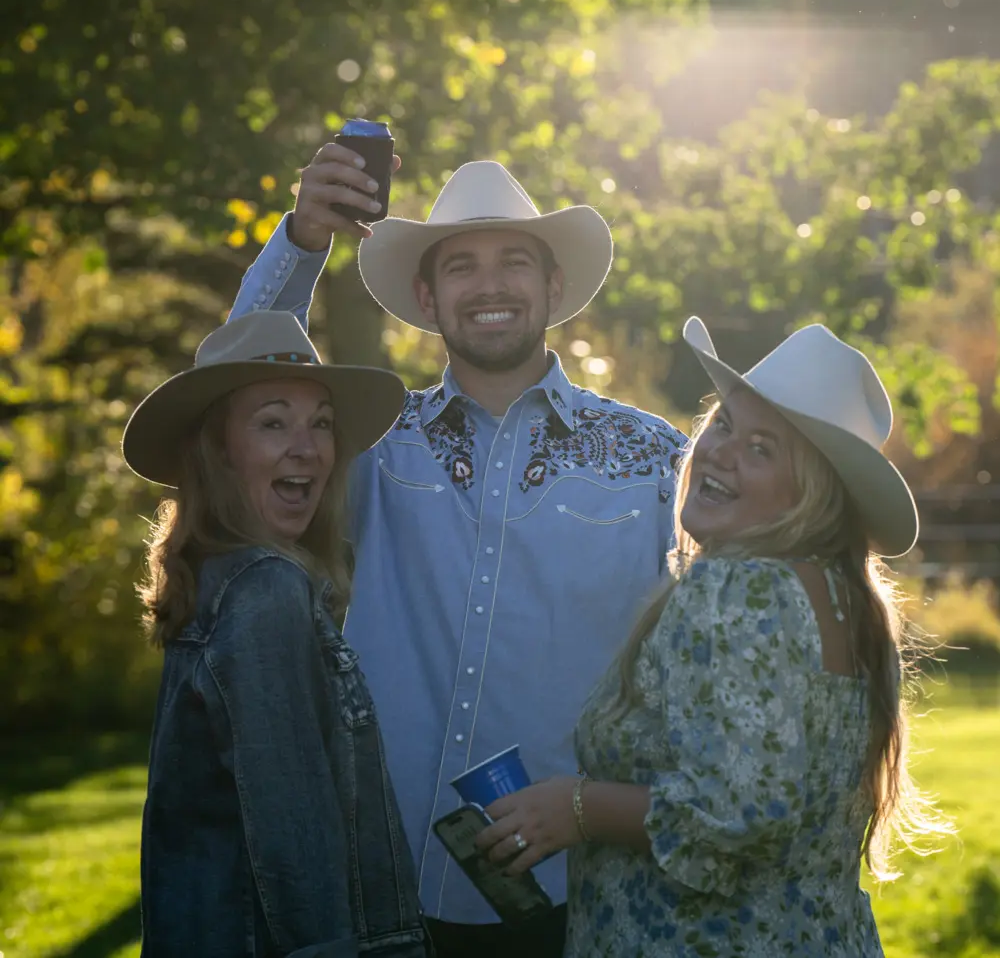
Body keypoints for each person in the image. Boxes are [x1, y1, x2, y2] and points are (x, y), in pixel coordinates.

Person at [228, 141, 688, 956]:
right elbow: (245, 386)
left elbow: (698, 672)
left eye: (515, 260)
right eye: (462, 266)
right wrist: (302, 242)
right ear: (426, 295)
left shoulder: (653, 458)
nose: (490, 284)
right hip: (385, 883)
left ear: (553, 287)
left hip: (589, 896)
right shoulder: (369, 444)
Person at [475, 316, 953, 956]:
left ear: (811, 495)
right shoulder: (848, 605)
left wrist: (579, 808)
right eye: (724, 424)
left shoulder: (740, 589)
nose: (722, 450)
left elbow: (738, 810)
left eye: (762, 448)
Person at [123, 311, 431, 957]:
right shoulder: (264, 591)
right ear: (219, 454)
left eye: (321, 422)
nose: (308, 447)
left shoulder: (220, 578)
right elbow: (295, 836)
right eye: (272, 422)